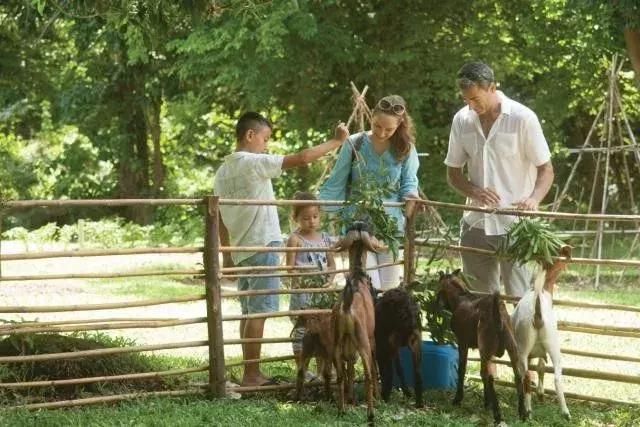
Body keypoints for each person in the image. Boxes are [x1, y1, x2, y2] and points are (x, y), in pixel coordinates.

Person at [214, 112, 349, 386]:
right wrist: (336, 141)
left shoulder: (222, 171)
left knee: (249, 310)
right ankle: (252, 374)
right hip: (262, 244)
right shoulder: (252, 162)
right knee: (261, 311)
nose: (266, 146)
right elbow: (301, 158)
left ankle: (249, 370)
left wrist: (226, 251)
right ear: (250, 135)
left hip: (242, 248)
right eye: (265, 139)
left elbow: (217, 214)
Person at [444, 61, 554, 297]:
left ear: (492, 88)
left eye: (475, 99)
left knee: (521, 299)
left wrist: (534, 199)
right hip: (475, 224)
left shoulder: (523, 118)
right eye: (466, 100)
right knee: (481, 303)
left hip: (516, 226)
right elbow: (453, 173)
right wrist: (473, 191)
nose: (471, 106)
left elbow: (546, 169)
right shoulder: (461, 120)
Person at [319, 95, 420, 290]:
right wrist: (328, 215)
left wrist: (411, 199)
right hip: (358, 225)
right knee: (367, 285)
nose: (382, 133)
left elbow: (409, 183)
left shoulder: (406, 149)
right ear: (371, 117)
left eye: (389, 129)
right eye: (377, 126)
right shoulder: (354, 143)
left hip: (389, 228)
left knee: (389, 289)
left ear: (400, 125)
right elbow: (336, 182)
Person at [286, 191, 335, 375]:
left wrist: (329, 279)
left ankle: (323, 370)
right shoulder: (295, 239)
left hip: (321, 293)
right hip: (303, 293)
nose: (311, 221)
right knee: (302, 330)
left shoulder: (325, 238)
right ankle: (302, 369)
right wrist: (303, 279)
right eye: (306, 218)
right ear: (296, 218)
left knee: (323, 329)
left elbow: (331, 264)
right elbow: (289, 267)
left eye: (315, 216)